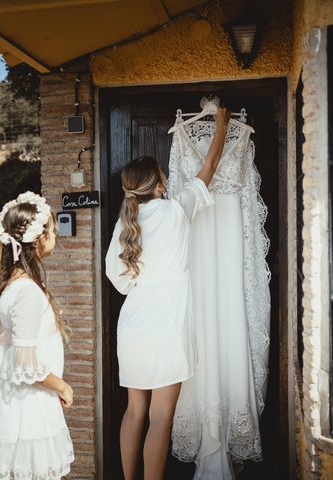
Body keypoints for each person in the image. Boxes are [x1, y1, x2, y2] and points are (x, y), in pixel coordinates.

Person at [105, 107, 230, 480]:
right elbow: (209, 167)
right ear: (159, 185)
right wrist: (221, 125)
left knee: (134, 412)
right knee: (161, 417)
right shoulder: (176, 210)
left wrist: (141, 284)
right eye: (165, 176)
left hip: (133, 327)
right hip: (167, 328)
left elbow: (119, 280)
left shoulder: (125, 225)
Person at [0, 191, 75, 479]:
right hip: (27, 405)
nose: (56, 233)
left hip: (18, 399)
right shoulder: (26, 291)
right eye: (51, 228)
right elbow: (25, 365)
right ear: (38, 238)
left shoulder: (14, 283)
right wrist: (61, 386)